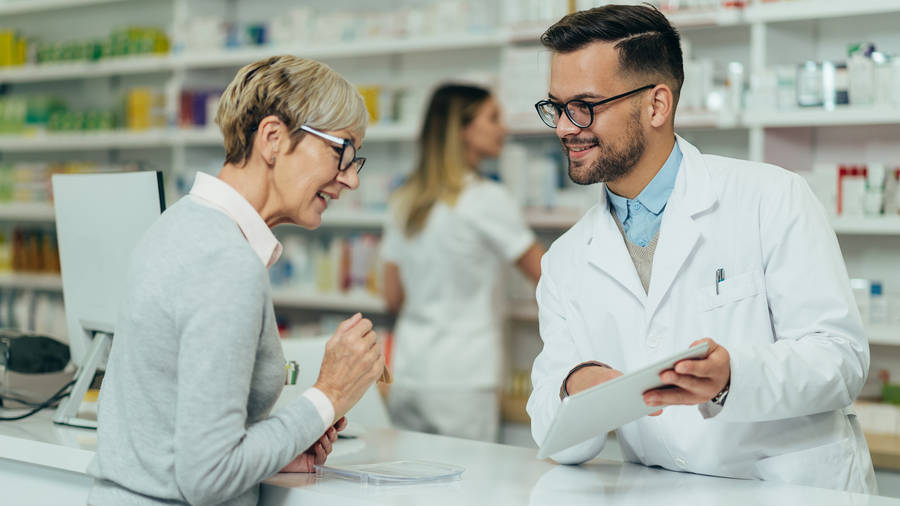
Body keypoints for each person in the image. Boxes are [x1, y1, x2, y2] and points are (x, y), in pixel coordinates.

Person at [526, 5, 876, 493]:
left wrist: (733, 376)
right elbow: (553, 439)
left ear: (656, 105)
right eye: (556, 107)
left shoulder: (771, 197)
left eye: (584, 105)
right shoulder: (565, 259)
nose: (564, 127)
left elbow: (840, 361)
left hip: (790, 491)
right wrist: (576, 387)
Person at [88, 55, 387, 505]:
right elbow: (208, 478)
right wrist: (329, 395)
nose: (350, 179)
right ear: (273, 138)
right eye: (340, 150)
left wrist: (273, 449)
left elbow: (179, 436)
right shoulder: (226, 262)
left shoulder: (181, 224)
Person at [381, 84, 544, 442]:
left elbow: (392, 297)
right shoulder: (486, 199)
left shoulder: (404, 200)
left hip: (409, 374)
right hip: (463, 380)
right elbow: (547, 275)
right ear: (462, 129)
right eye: (493, 118)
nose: (503, 128)